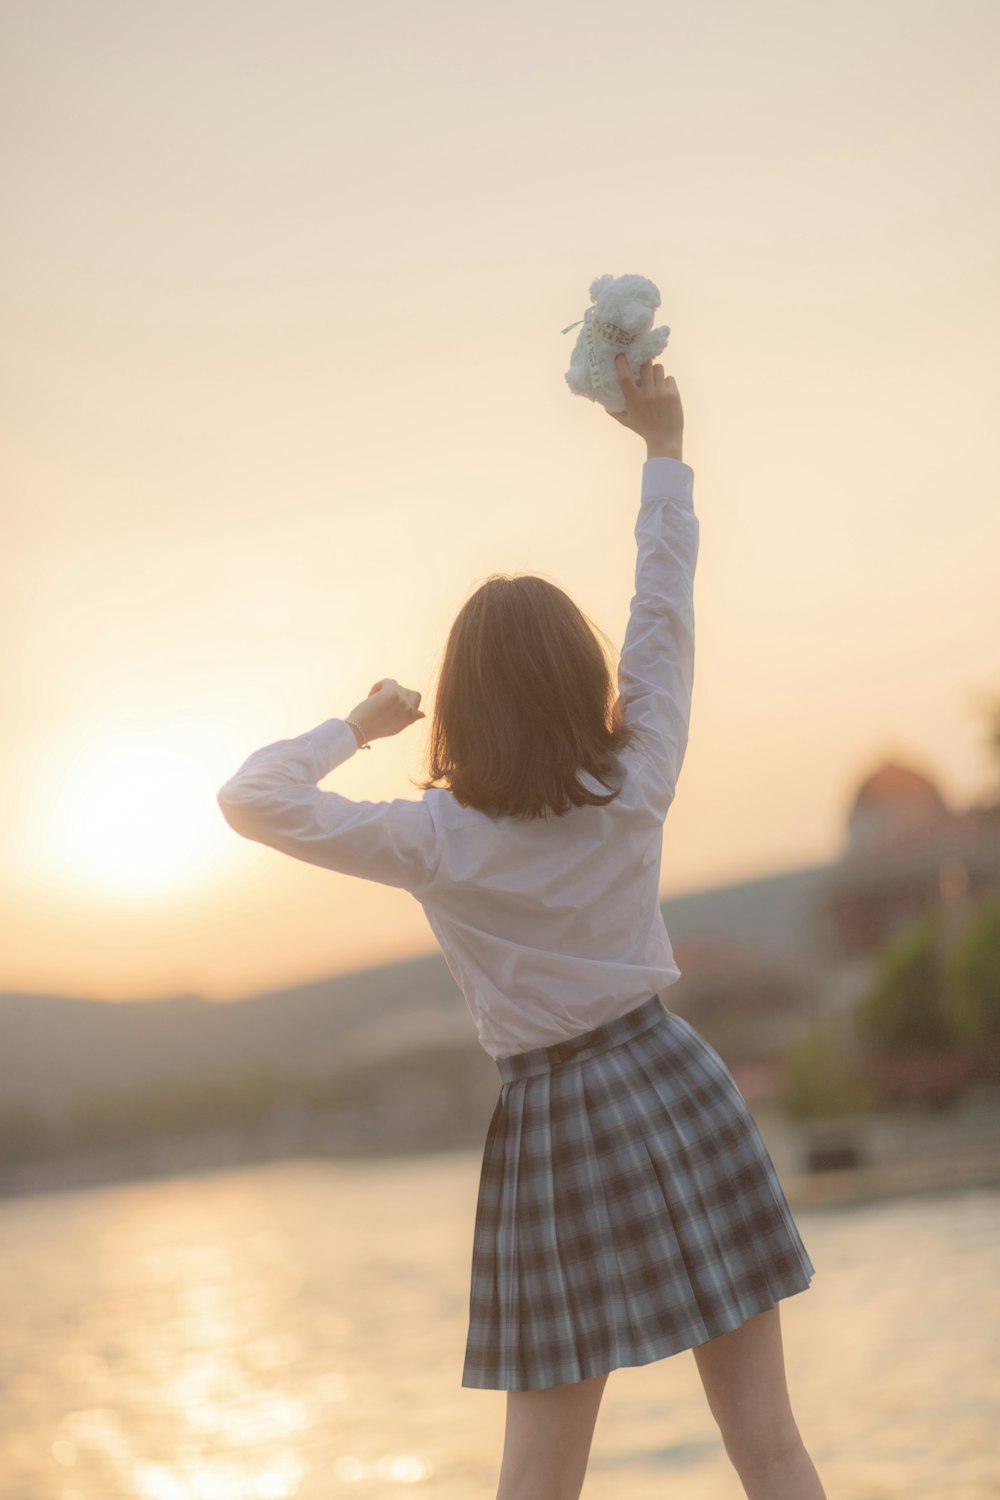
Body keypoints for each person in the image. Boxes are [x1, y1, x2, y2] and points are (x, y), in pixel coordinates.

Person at [216, 351, 827, 1500]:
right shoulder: (634, 778)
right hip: (676, 1081)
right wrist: (663, 451)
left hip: (555, 1122)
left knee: (537, 1480)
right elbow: (662, 613)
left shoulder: (436, 840)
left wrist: (355, 725)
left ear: (462, 701)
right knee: (770, 1443)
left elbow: (252, 800)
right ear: (579, 677)